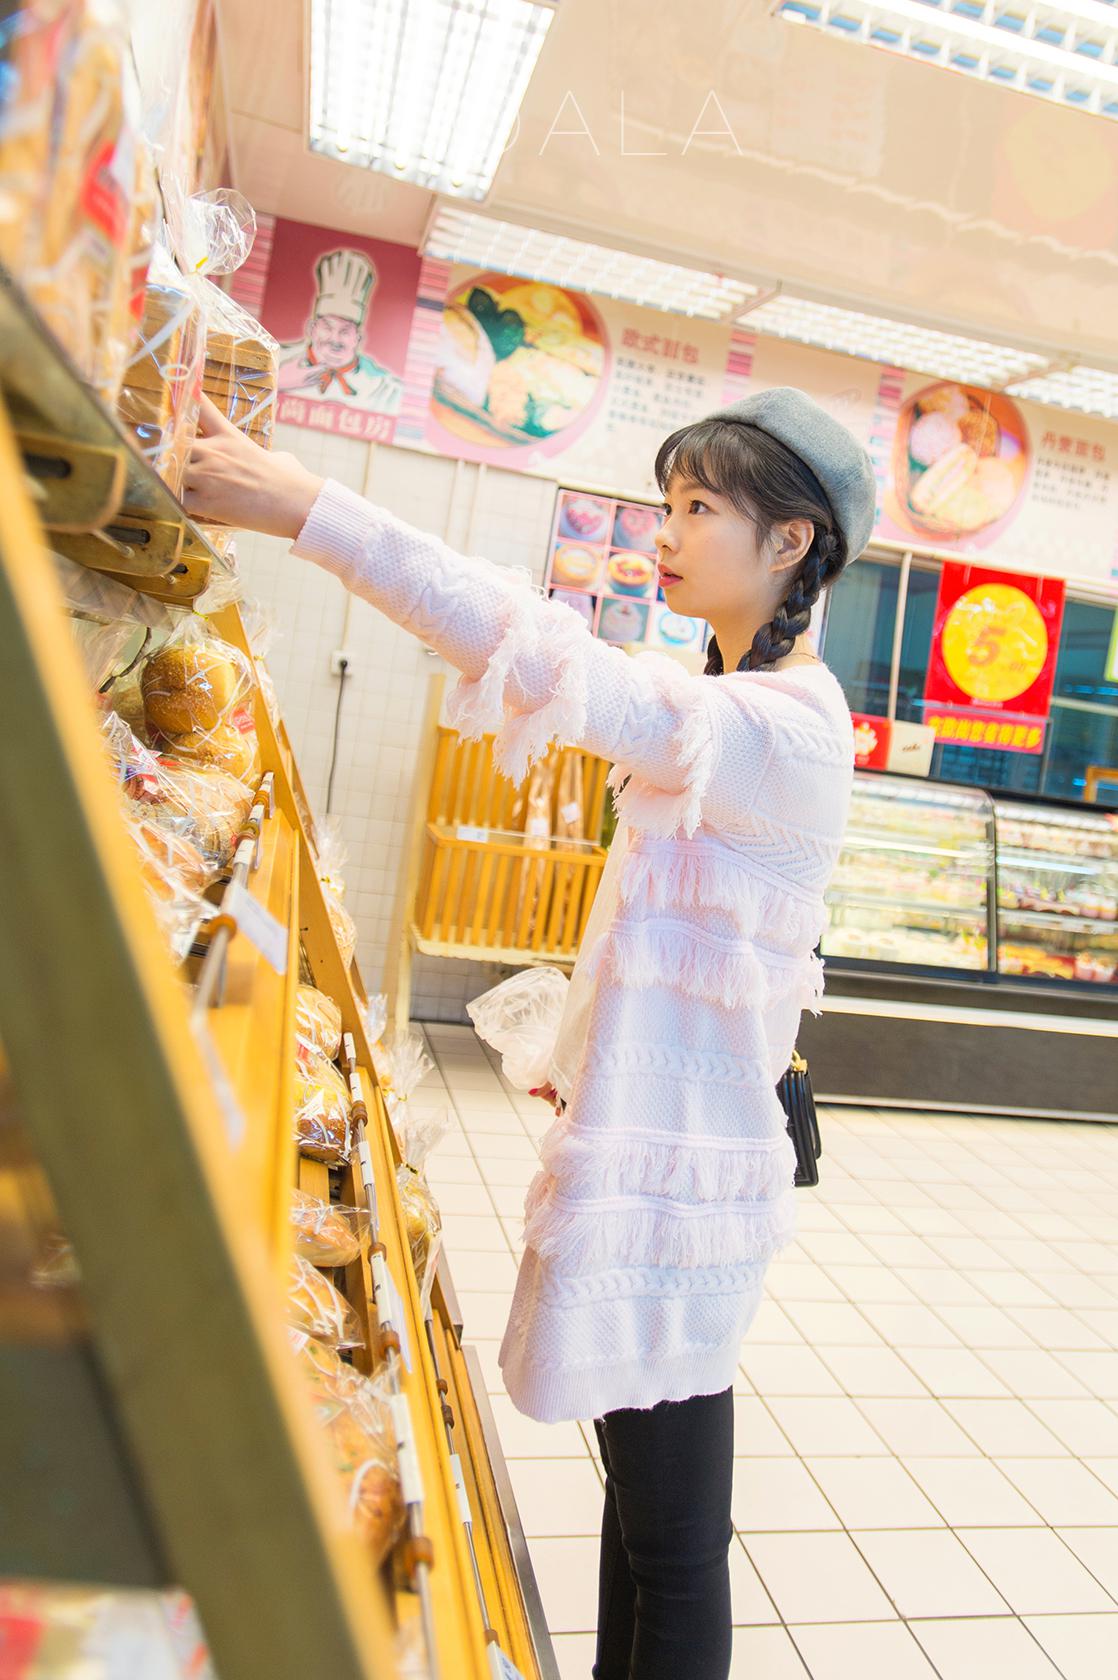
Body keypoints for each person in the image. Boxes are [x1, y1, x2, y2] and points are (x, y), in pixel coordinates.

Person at [185, 385, 875, 1680]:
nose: (663, 532)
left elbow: (548, 657)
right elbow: (673, 936)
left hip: (678, 1192)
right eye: (665, 503)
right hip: (654, 1161)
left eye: (697, 507)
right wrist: (574, 1051)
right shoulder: (732, 700)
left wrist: (309, 509)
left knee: (674, 1545)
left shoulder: (782, 724)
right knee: (648, 1526)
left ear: (789, 542)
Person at [277, 248, 404, 413]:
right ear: (312, 329)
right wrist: (278, 383)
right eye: (327, 328)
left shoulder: (385, 389)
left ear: (358, 338)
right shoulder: (276, 361)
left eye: (345, 331)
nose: (335, 339)